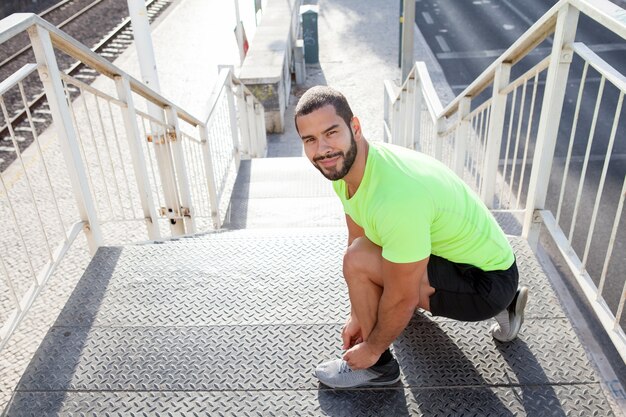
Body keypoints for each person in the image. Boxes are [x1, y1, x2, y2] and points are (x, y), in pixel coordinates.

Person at [294, 86, 528, 389]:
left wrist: (371, 348)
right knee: (362, 254)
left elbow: (398, 293)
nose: (322, 148)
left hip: (485, 283)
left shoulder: (397, 195)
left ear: (355, 127)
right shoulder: (348, 169)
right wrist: (358, 315)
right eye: (310, 139)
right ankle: (506, 305)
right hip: (474, 259)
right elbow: (358, 237)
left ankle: (379, 370)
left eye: (331, 132)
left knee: (364, 267)